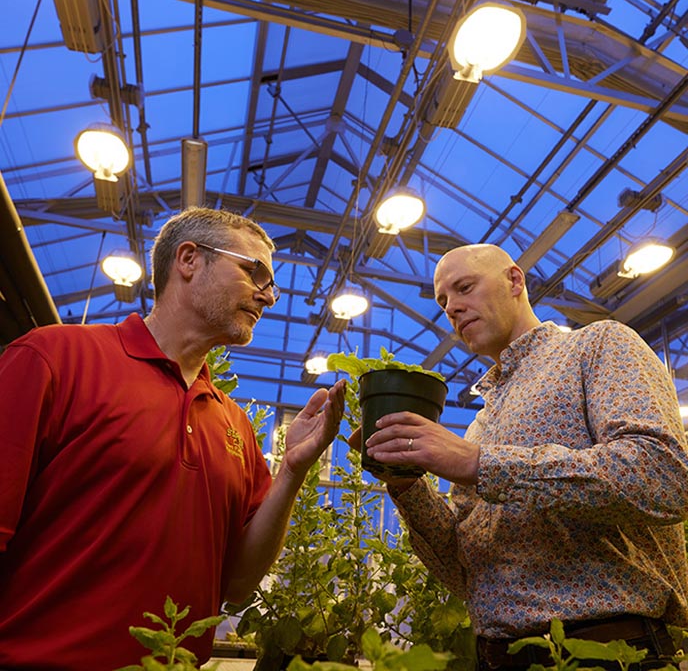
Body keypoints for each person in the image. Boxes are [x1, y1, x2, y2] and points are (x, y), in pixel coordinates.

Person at [0, 206, 345, 670]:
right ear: (188, 259)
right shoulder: (55, 359)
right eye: (254, 273)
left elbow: (238, 585)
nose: (268, 296)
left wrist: (292, 470)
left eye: (271, 283)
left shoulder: (235, 425)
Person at [359, 243, 688, 670]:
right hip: (498, 657)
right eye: (443, 301)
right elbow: (465, 574)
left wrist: (480, 463)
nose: (452, 308)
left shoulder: (598, 345)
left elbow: (664, 476)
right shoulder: (481, 423)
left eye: (464, 288)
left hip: (606, 650)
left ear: (515, 281)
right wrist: (406, 484)